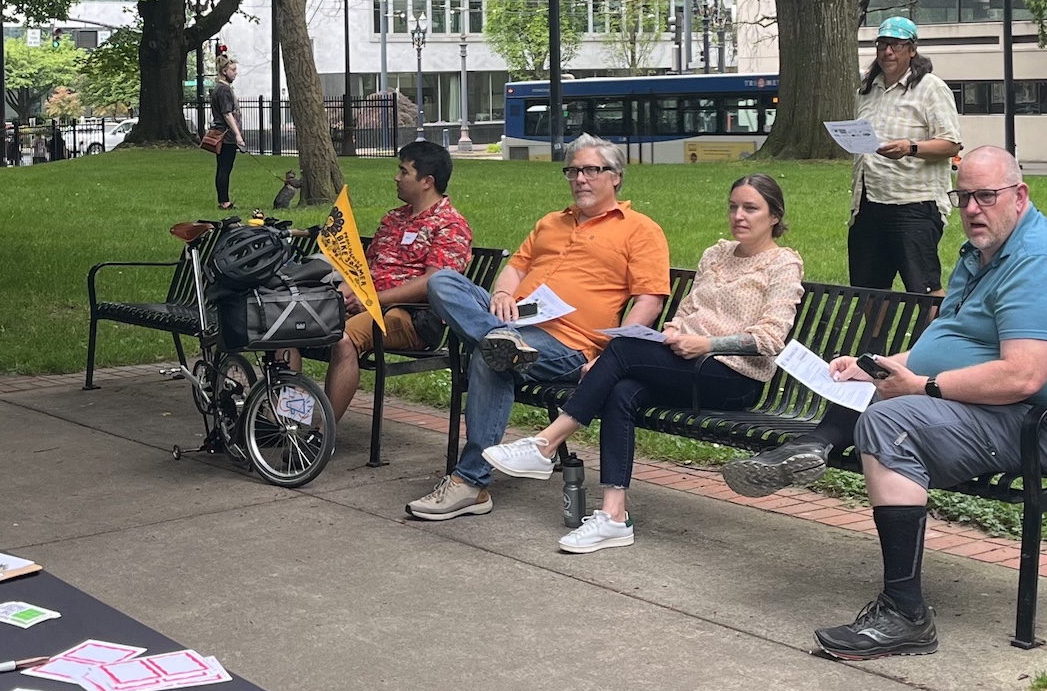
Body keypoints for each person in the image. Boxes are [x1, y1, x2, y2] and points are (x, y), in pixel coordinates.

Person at [724, 147, 1047, 657]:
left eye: (986, 196)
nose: (972, 208)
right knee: (873, 390)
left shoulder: (1037, 260)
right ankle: (814, 446)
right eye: (964, 196)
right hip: (1001, 411)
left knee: (892, 422)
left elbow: (1022, 375)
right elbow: (955, 343)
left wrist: (921, 387)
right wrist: (877, 365)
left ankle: (905, 614)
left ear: (1020, 196)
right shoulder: (985, 253)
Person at [481, 174, 804, 552]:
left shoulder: (783, 264)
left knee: (621, 350)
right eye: (734, 206)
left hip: (733, 375)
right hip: (686, 363)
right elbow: (685, 311)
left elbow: (770, 338)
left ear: (774, 216)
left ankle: (546, 443)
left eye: (751, 208)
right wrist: (673, 332)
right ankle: (614, 516)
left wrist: (706, 343)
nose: (739, 215)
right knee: (622, 390)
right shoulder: (715, 255)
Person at [405, 135, 671, 521]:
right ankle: (498, 337)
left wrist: (615, 355)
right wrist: (501, 295)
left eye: (590, 170)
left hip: (568, 342)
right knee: (443, 281)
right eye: (573, 170)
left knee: (490, 356)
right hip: (512, 322)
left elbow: (649, 300)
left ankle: (470, 483)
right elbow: (516, 267)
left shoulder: (639, 229)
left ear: (615, 177)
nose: (579, 178)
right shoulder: (551, 222)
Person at [313, 139, 474, 420]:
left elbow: (432, 283)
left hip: (412, 317)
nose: (396, 177)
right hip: (368, 305)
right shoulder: (394, 219)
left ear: (427, 181)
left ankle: (322, 434)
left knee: (343, 338)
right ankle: (287, 421)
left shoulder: (450, 225)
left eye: (404, 171)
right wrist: (346, 288)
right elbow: (364, 266)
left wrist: (372, 301)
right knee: (288, 325)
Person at [848, 16, 961, 294]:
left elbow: (951, 144)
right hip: (868, 203)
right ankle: (875, 340)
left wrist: (910, 148)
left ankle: (936, 339)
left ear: (912, 50)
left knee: (924, 289)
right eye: (882, 44)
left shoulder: (931, 88)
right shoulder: (866, 89)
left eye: (896, 45)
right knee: (869, 290)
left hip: (915, 205)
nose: (888, 51)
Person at [211, 58, 245, 209]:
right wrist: (237, 134)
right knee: (225, 168)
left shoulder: (220, 88)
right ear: (224, 72)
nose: (235, 73)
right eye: (233, 70)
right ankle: (224, 202)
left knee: (223, 167)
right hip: (226, 136)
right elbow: (227, 113)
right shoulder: (223, 90)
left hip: (224, 134)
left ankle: (223, 200)